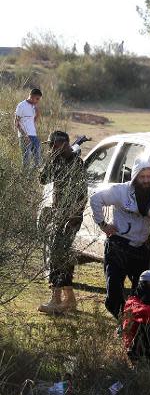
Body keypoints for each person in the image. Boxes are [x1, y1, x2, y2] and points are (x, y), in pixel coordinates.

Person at [90, 159, 150, 319]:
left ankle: (134, 320)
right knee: (114, 288)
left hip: (141, 247)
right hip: (118, 244)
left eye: (149, 176)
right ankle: (121, 319)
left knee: (142, 288)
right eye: (142, 176)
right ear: (135, 176)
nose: (145, 180)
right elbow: (95, 199)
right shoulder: (120, 191)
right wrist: (103, 225)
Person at [37, 131, 88, 314]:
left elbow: (83, 195)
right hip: (59, 214)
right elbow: (43, 179)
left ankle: (57, 299)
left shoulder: (77, 163)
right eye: (50, 145)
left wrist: (74, 216)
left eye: (54, 145)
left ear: (65, 144)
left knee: (60, 254)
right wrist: (50, 160)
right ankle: (68, 299)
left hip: (72, 217)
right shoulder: (55, 161)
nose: (51, 148)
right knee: (59, 254)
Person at [15, 88, 42, 168]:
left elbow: (33, 121)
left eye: (39, 99)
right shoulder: (21, 105)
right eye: (37, 98)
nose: (38, 101)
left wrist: (37, 113)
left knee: (37, 158)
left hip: (33, 135)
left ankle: (34, 177)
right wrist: (24, 135)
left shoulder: (34, 107)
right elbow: (16, 123)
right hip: (24, 136)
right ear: (31, 96)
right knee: (26, 159)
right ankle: (25, 177)